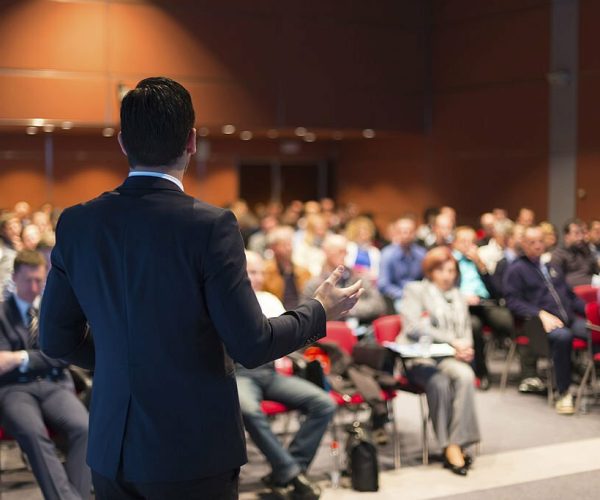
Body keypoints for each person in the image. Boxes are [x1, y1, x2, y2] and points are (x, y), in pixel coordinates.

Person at [39, 77, 362, 499]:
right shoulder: (210, 226)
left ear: (122, 143)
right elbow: (251, 344)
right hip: (192, 448)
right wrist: (318, 310)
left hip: (111, 448)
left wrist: (129, 358)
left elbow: (55, 338)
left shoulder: (78, 223)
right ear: (191, 141)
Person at [237, 251, 335, 499]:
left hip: (269, 372)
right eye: (249, 271)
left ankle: (288, 470)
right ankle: (292, 474)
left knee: (324, 403)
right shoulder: (229, 302)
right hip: (240, 374)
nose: (255, 277)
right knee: (248, 410)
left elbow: (289, 339)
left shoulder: (269, 299)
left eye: (259, 271)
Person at [0, 250, 90, 499]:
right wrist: (43, 358)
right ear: (15, 277)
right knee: (33, 434)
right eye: (28, 280)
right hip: (13, 390)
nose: (34, 286)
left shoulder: (53, 311)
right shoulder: (2, 313)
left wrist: (21, 357)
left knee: (85, 429)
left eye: (39, 280)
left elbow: (62, 356)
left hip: (53, 384)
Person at [398, 247, 481, 476]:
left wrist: (465, 348)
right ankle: (448, 446)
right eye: (442, 270)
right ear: (431, 271)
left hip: (448, 357)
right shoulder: (415, 290)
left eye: (452, 270)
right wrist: (453, 341)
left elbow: (465, 330)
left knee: (465, 376)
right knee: (440, 383)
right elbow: (413, 327)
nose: (448, 275)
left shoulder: (458, 295)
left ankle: (456, 443)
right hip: (419, 358)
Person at [504, 226, 586, 415]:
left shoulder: (552, 266)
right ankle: (563, 392)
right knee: (563, 337)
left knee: (595, 330)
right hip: (538, 326)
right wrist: (539, 313)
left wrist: (590, 312)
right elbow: (512, 302)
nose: (537, 246)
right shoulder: (516, 270)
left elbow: (570, 296)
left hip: (568, 319)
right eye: (532, 242)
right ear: (523, 244)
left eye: (541, 241)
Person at [452, 226, 514, 389]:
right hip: (461, 307)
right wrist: (462, 297)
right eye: (463, 241)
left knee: (507, 321)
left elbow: (496, 291)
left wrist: (481, 266)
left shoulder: (480, 261)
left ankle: (528, 372)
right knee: (474, 327)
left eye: (472, 242)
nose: (468, 245)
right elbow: (446, 289)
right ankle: (481, 372)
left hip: (485, 304)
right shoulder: (451, 261)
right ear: (454, 243)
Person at [304, 235, 386, 325]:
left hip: (362, 330)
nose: (344, 254)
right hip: (329, 334)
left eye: (345, 251)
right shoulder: (314, 283)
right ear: (326, 252)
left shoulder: (358, 277)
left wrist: (349, 308)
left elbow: (379, 305)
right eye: (339, 251)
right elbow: (307, 316)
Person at [378, 217, 426, 311]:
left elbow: (427, 278)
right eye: (402, 231)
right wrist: (404, 294)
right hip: (397, 297)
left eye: (410, 231)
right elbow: (383, 285)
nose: (406, 235)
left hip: (418, 295)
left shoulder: (422, 253)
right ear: (396, 233)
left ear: (415, 233)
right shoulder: (387, 254)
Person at [263, 226, 312, 310]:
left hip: (301, 314)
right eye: (284, 245)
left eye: (290, 244)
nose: (289, 248)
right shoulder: (265, 272)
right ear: (273, 248)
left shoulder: (304, 271)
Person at [551, 219, 600, 288]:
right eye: (576, 233)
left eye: (582, 233)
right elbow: (558, 281)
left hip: (591, 290)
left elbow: (596, 271)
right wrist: (592, 280)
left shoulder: (585, 251)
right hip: (571, 293)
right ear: (566, 236)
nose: (580, 237)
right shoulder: (559, 255)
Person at [344, 216, 381, 281]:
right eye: (361, 229)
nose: (364, 232)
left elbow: (378, 273)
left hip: (369, 281)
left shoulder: (375, 251)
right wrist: (358, 269)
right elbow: (344, 265)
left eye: (366, 230)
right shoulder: (348, 247)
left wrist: (368, 273)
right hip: (349, 280)